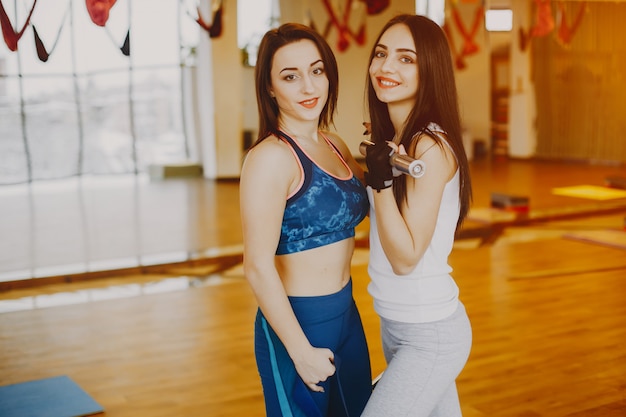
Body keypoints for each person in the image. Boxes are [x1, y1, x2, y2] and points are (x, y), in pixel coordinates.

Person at [239, 23, 372, 417]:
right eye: (290, 77)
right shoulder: (270, 158)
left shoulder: (336, 144)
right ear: (269, 87)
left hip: (347, 314)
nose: (308, 87)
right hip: (298, 324)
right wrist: (299, 350)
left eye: (316, 71)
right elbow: (257, 266)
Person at [359, 14, 473, 417]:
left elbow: (405, 258)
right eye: (381, 54)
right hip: (396, 324)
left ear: (430, 70)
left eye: (406, 59)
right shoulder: (396, 142)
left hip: (429, 331)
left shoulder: (429, 148)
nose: (386, 67)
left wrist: (381, 182)